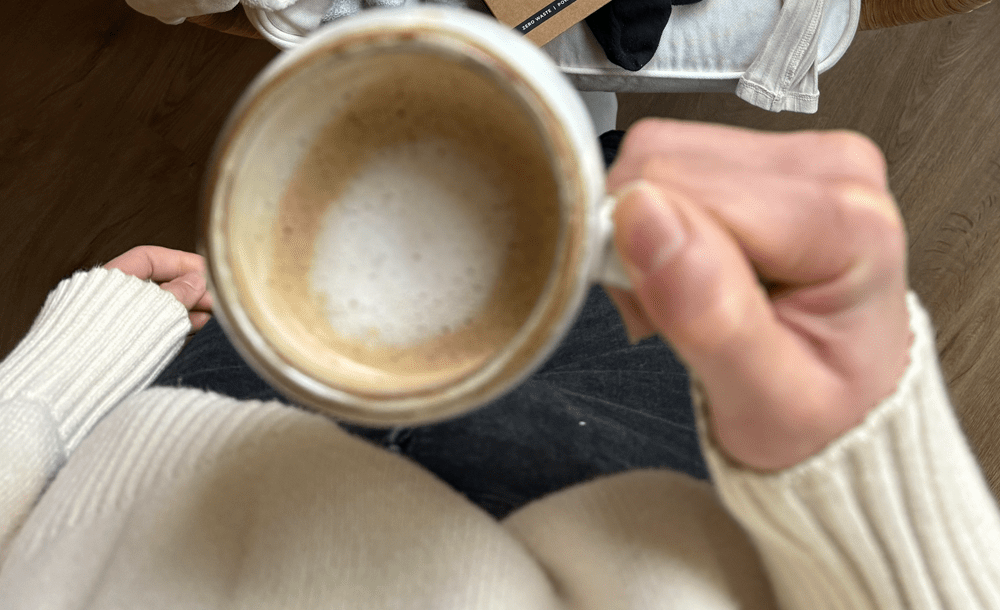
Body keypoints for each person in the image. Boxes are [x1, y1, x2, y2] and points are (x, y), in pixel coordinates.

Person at [1, 119, 999, 607]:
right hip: (621, 516)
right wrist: (860, 473)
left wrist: (72, 369)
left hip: (172, 462)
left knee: (560, 214)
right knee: (585, 215)